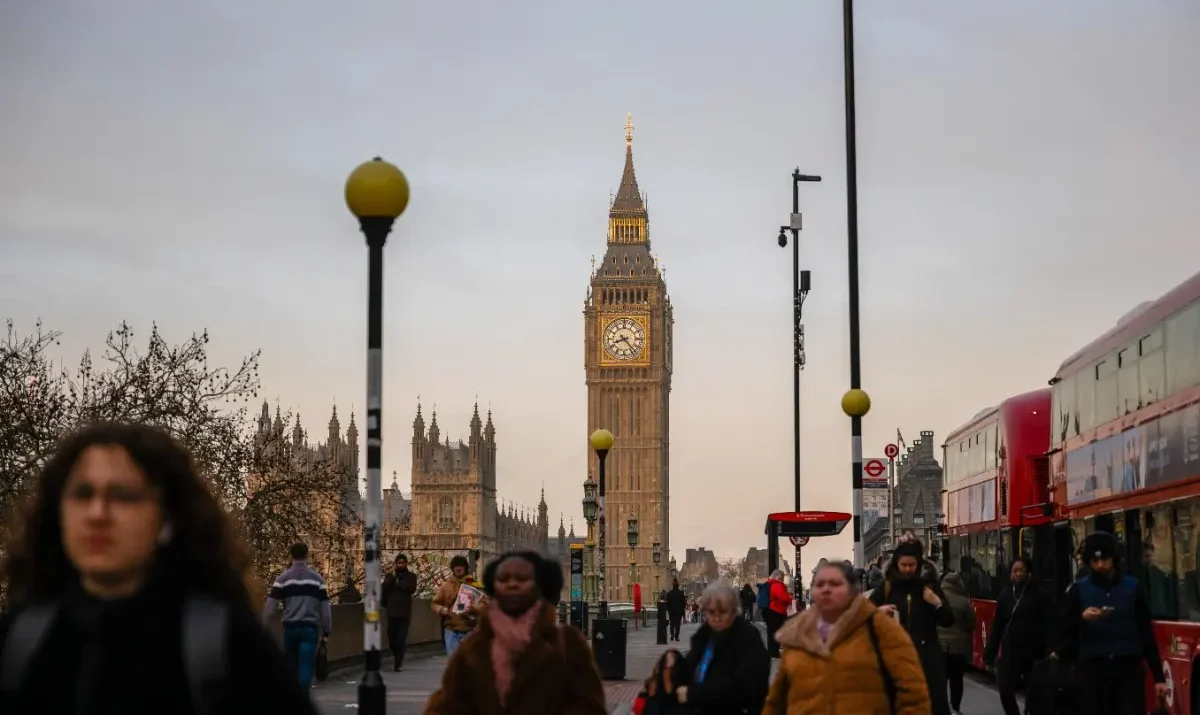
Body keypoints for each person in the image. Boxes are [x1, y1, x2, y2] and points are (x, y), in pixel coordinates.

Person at [0, 422, 317, 715]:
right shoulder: (19, 643)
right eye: (82, 494)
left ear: (168, 518)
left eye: (123, 496)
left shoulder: (228, 646)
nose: (97, 513)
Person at [421, 550, 605, 715]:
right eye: (503, 579)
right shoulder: (475, 646)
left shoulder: (566, 643)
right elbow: (448, 706)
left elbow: (588, 706)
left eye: (522, 579)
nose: (512, 584)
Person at [763, 560, 931, 715]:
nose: (826, 589)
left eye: (835, 584)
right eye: (820, 584)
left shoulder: (881, 628)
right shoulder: (798, 636)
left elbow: (913, 694)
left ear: (852, 591)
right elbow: (776, 701)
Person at [1050, 531, 1167, 715]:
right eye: (1095, 561)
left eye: (1105, 560)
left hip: (1128, 669)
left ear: (1115, 559)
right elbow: (1062, 629)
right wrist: (1082, 618)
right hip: (1092, 671)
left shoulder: (1133, 588)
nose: (1100, 565)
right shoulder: (1077, 590)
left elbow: (1146, 634)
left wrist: (1158, 677)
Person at [870, 537, 955, 715]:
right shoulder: (887, 588)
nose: (908, 569)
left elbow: (948, 620)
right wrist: (878, 611)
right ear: (896, 565)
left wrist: (937, 603)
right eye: (904, 565)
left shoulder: (930, 587)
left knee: (934, 705)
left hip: (928, 660)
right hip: (895, 660)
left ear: (919, 564)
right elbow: (862, 617)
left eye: (912, 565)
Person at [671, 579, 771, 715]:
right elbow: (689, 666)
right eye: (711, 612)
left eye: (723, 612)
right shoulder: (705, 635)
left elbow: (744, 689)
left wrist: (693, 694)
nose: (716, 618)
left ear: (733, 611)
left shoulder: (748, 638)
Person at [263, 541, 333, 688]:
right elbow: (325, 611)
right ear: (307, 555)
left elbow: (270, 607)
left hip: (290, 628)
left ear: (291, 556)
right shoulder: (317, 580)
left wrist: (261, 626)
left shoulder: (282, 579)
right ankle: (303, 698)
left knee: (291, 667)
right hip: (309, 629)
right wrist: (326, 632)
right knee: (306, 666)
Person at [984, 557, 1049, 715]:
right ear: (1010, 574)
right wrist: (990, 654)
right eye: (1015, 571)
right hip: (1010, 651)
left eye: (1022, 571)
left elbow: (1047, 623)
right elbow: (998, 626)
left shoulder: (1039, 594)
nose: (1018, 574)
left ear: (1029, 573)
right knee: (1005, 690)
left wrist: (1049, 649)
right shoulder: (1005, 596)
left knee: (1034, 692)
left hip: (1033, 651)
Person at [937, 571, 977, 715]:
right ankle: (955, 707)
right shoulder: (964, 601)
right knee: (956, 679)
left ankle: (942, 707)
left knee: (941, 679)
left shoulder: (937, 598)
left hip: (940, 646)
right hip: (958, 648)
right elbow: (972, 623)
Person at [431, 554, 483, 656]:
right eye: (456, 566)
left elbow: (485, 604)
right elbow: (435, 603)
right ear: (452, 568)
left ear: (465, 568)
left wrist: (474, 608)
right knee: (453, 662)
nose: (458, 568)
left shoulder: (474, 584)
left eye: (461, 566)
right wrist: (441, 609)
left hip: (470, 629)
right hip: (451, 630)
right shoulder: (446, 585)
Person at [382, 553, 418, 671]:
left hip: (404, 612)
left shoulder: (411, 576)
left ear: (406, 564)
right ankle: (396, 654)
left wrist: (398, 583)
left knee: (401, 638)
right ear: (396, 564)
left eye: (403, 563)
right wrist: (391, 576)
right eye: (399, 563)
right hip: (392, 612)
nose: (401, 565)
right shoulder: (390, 576)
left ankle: (398, 662)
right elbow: (384, 588)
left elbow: (411, 588)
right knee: (392, 638)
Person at [763, 569, 791, 658]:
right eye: (782, 578)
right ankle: (774, 652)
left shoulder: (769, 583)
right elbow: (783, 598)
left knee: (771, 632)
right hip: (775, 611)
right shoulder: (777, 585)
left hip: (769, 611)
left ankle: (772, 651)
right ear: (778, 576)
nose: (782, 580)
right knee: (776, 632)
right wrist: (790, 598)